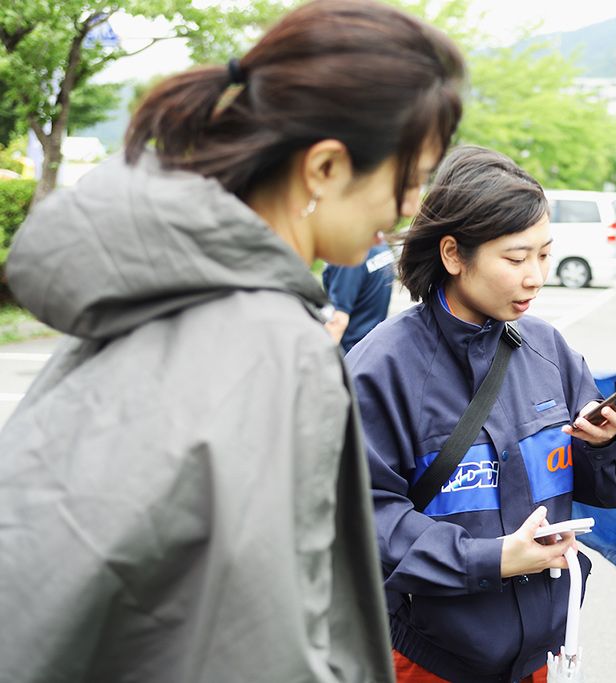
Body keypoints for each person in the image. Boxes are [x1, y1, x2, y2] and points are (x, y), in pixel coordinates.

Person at [0, 2, 463, 681]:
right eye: (411, 175)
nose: (409, 205)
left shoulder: (152, 282)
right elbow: (264, 640)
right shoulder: (279, 346)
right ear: (327, 167)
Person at [346, 145, 616, 683]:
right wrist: (493, 559)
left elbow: (599, 494)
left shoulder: (549, 349)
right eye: (515, 258)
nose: (535, 277)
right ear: (454, 254)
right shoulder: (380, 367)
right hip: (423, 660)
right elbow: (362, 519)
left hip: (540, 660)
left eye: (544, 255)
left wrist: (599, 444)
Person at [322, 241, 396, 352]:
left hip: (350, 351)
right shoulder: (380, 245)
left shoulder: (351, 255)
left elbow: (338, 321)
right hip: (372, 345)